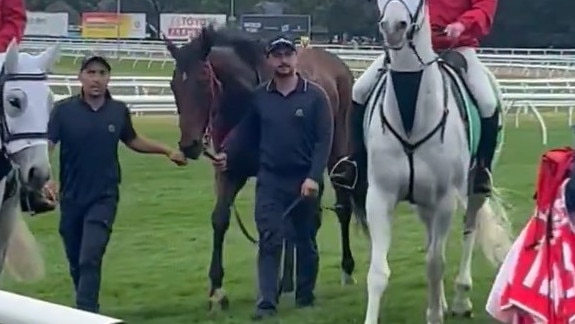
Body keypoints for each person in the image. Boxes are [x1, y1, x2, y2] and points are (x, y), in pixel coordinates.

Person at [45, 55, 187, 313]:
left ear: (108, 78)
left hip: (104, 197)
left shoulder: (118, 110)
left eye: (101, 73)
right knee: (76, 259)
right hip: (72, 196)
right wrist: (47, 179)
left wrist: (167, 151)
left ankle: (86, 312)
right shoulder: (63, 111)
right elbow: (48, 146)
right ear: (81, 77)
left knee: (91, 256)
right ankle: (85, 305)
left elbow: (133, 140)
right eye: (90, 72)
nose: (96, 79)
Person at [212, 36, 333, 319]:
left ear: (295, 59)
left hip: (305, 181)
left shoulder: (315, 96)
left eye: (287, 55)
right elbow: (245, 131)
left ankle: (305, 295)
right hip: (270, 180)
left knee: (305, 241)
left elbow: (324, 141)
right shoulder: (260, 97)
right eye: (277, 55)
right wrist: (227, 153)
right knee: (269, 239)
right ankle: (266, 304)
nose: (283, 60)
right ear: (269, 60)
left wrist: (314, 177)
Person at [333, 0, 500, 195]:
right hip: (409, 48)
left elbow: (483, 9)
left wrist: (463, 24)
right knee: (359, 91)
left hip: (457, 47)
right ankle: (355, 162)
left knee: (487, 102)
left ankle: (481, 170)